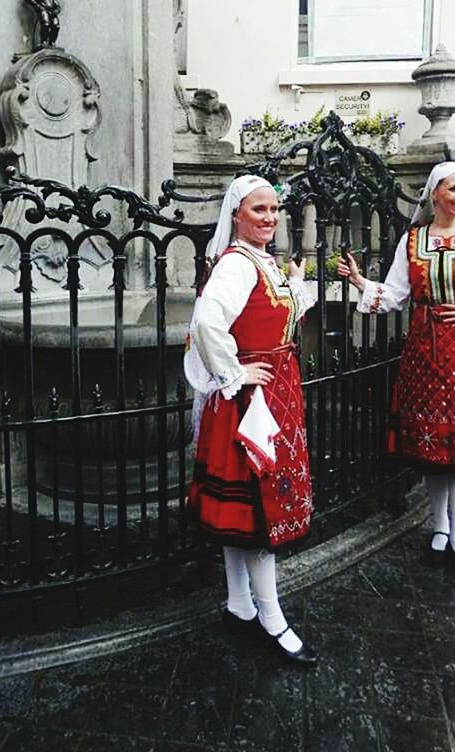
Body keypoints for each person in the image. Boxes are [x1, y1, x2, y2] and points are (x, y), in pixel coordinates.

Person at [337, 162, 455, 587]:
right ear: (435, 194)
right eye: (452, 189)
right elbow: (397, 294)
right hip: (424, 351)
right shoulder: (413, 239)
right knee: (433, 446)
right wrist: (363, 282)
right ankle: (439, 529)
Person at [185, 174, 318, 666]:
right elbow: (205, 321)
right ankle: (272, 618)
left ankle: (239, 605)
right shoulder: (237, 265)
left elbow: (276, 315)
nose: (270, 217)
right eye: (259, 209)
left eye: (274, 209)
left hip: (273, 392)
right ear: (236, 215)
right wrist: (233, 372)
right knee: (259, 511)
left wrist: (298, 286)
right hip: (251, 400)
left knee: (241, 513)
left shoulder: (262, 263)